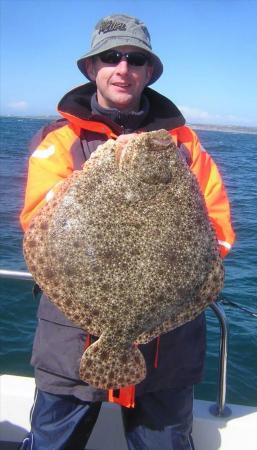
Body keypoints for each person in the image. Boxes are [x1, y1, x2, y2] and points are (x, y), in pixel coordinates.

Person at [19, 13, 235, 450]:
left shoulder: (185, 144)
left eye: (135, 59)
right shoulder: (60, 139)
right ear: (90, 68)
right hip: (69, 346)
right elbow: (36, 222)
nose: (123, 68)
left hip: (168, 352)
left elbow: (219, 233)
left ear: (149, 71)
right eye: (110, 57)